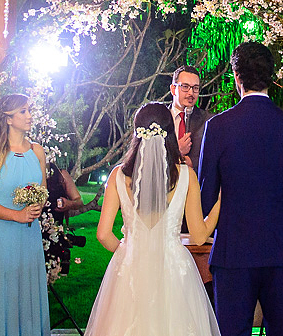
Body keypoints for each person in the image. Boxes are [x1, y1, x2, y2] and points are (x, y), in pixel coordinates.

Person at [198, 41, 283, 336]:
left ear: (237, 77)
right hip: (282, 250)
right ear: (271, 78)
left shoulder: (218, 127)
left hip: (234, 252)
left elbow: (206, 196)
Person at [86, 103, 222, 336]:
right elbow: (200, 236)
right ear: (170, 134)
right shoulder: (186, 175)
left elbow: (103, 234)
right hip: (172, 270)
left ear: (137, 133)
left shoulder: (118, 175)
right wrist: (220, 202)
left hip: (131, 270)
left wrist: (126, 252)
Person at [0, 94, 49, 336]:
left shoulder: (38, 152)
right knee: (2, 292)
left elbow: (43, 190)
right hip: (2, 236)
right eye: (23, 111)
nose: (29, 116)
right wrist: (16, 215)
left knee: (27, 292)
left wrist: (38, 205)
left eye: (29, 110)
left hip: (30, 237)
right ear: (8, 119)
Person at [170, 67, 211, 172]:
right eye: (185, 87)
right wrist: (176, 151)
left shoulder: (208, 121)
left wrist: (194, 163)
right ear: (173, 89)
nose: (191, 93)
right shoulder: (159, 119)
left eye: (195, 88)